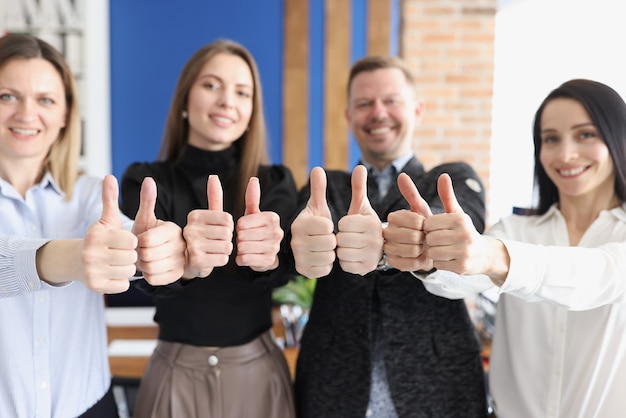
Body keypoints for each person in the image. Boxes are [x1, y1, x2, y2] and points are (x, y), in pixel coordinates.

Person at [385, 78, 626, 417]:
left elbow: (598, 275)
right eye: (551, 139)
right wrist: (430, 259)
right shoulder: (515, 229)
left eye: (586, 134)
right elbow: (465, 279)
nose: (566, 153)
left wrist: (492, 256)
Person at [290, 55, 488, 418]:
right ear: (349, 117)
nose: (378, 112)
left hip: (438, 388)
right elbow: (302, 237)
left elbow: (458, 224)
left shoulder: (452, 180)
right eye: (364, 104)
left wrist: (400, 239)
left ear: (417, 109)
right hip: (332, 387)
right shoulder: (325, 190)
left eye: (391, 101)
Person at [0, 33, 186, 418]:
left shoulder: (88, 194)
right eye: (7, 96)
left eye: (46, 100)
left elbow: (115, 236)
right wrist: (71, 259)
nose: (26, 114)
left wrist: (147, 249)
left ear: (66, 114)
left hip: (89, 407)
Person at [120, 39, 297, 418]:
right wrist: (179, 263)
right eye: (211, 85)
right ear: (185, 99)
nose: (226, 101)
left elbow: (285, 266)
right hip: (174, 375)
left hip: (258, 373)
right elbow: (144, 275)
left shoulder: (276, 182)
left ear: (252, 111)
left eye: (242, 92)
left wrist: (268, 257)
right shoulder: (147, 182)